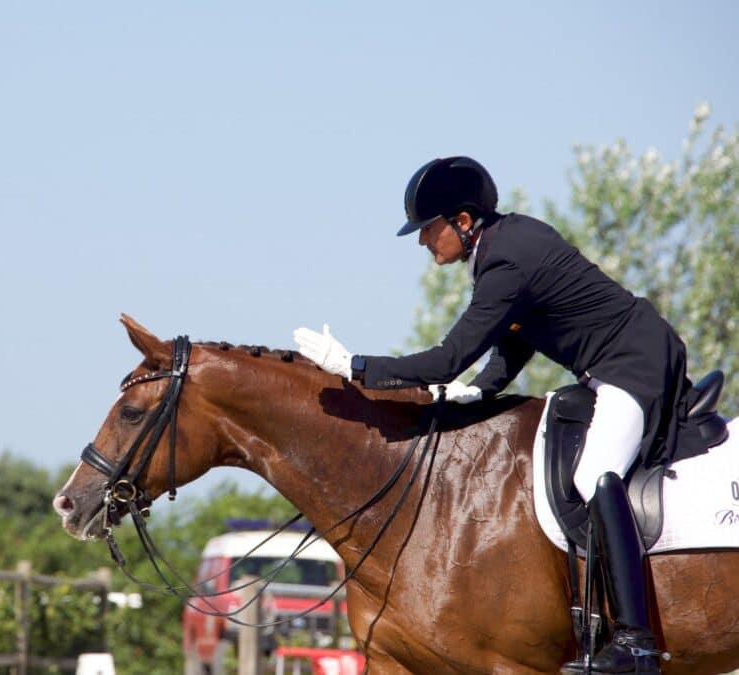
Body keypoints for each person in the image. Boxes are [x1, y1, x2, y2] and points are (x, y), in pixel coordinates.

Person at [293, 156, 704, 674]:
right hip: (609, 368)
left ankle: (635, 639)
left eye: (428, 229)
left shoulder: (505, 259)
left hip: (635, 366)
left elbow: (447, 357)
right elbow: (518, 334)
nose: (423, 242)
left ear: (463, 221)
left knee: (593, 474)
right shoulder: (503, 246)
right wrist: (482, 388)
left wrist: (354, 366)